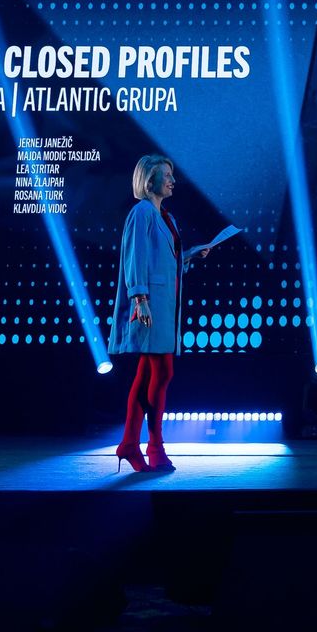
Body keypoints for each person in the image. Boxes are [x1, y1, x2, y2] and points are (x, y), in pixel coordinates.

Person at [112, 154, 187, 472]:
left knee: (148, 375)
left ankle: (130, 444)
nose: (172, 180)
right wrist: (139, 298)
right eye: (165, 175)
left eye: (171, 174)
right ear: (149, 180)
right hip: (150, 305)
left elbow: (162, 260)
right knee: (161, 373)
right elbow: (135, 257)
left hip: (164, 304)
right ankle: (154, 445)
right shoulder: (142, 212)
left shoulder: (165, 216)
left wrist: (191, 256)